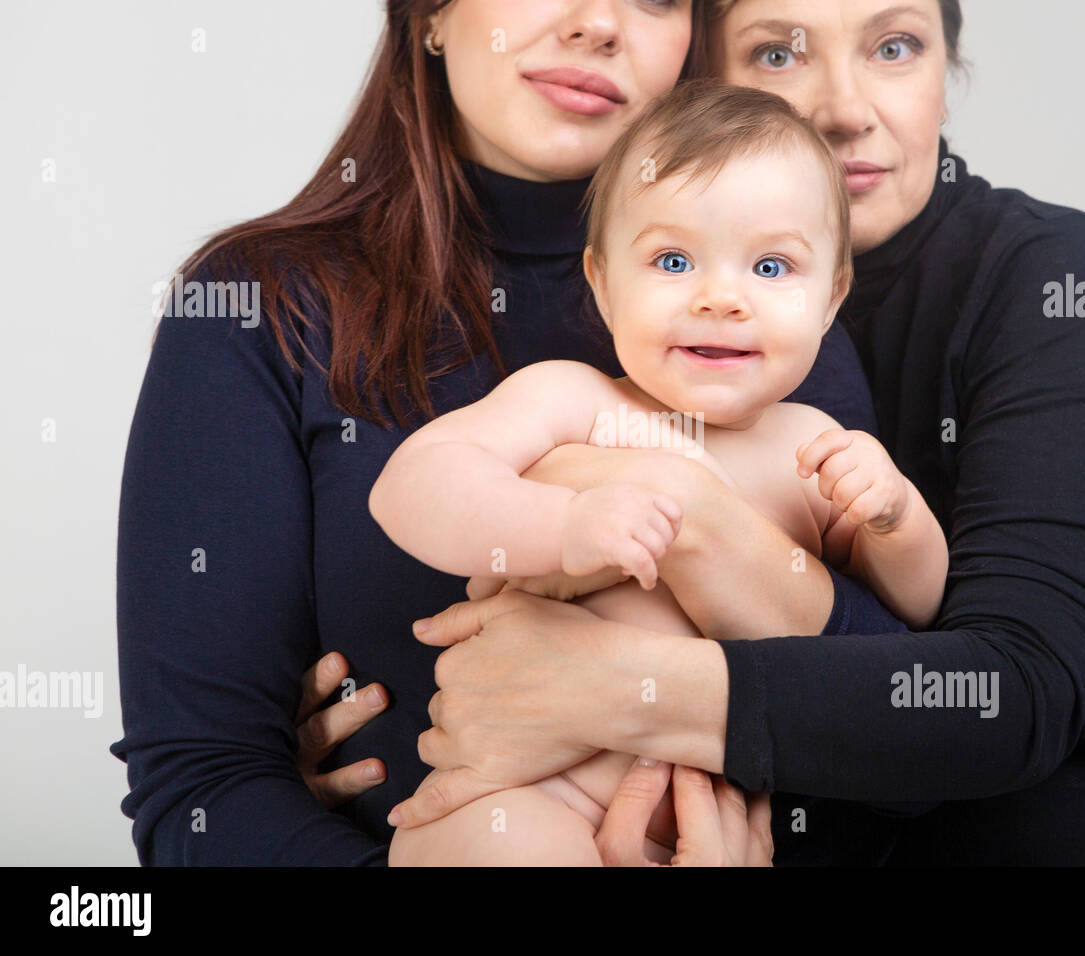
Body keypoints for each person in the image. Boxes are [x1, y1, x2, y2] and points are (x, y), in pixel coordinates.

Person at [386, 0, 1085, 865]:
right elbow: (427, 488)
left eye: (895, 46)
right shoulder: (637, 359)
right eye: (778, 53)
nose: (844, 110)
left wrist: (605, 686)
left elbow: (992, 685)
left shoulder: (1058, 283)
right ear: (701, 81)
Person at [111, 0, 900, 865]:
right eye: (669, 262)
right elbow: (202, 788)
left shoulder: (758, 329)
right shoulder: (261, 309)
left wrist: (647, 653)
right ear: (433, 14)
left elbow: (899, 731)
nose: (599, 21)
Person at [370, 81, 948, 864]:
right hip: (530, 798)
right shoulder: (570, 399)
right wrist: (562, 527)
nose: (721, 299)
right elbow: (412, 486)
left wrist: (895, 518)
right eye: (673, 260)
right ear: (604, 285)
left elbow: (911, 611)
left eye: (772, 267)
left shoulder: (814, 448)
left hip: (721, 826)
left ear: (830, 298)